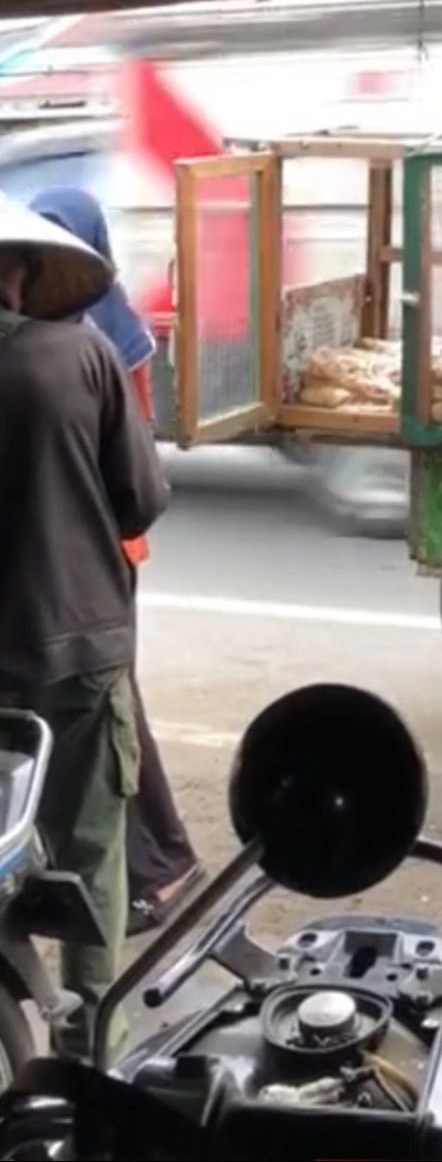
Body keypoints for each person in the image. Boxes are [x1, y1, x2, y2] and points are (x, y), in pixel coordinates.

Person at [0, 194, 169, 1056]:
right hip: (79, 648)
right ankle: (93, 1047)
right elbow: (142, 497)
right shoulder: (83, 353)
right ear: (24, 271)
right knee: (92, 848)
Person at [31, 188, 203, 936]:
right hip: (83, 557)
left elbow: (135, 463)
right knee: (106, 718)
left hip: (102, 555)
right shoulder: (64, 343)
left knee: (110, 722)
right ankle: (151, 862)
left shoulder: (101, 342)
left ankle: (161, 866)